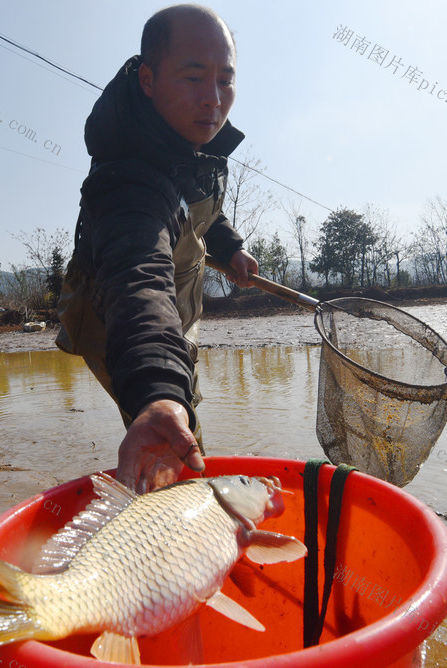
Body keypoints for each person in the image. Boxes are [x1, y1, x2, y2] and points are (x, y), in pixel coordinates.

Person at [56, 4, 258, 494]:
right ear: (148, 79)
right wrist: (159, 392)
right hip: (121, 323)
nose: (213, 99)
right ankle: (164, 524)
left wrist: (230, 247)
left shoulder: (186, 138)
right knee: (173, 437)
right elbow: (138, 282)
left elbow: (198, 209)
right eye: (193, 77)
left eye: (225, 80)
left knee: (182, 415)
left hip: (174, 309)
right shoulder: (127, 182)